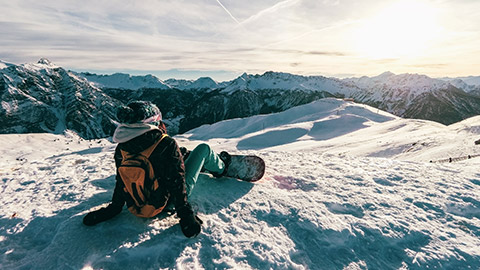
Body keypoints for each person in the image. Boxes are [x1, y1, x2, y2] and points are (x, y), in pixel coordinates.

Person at [82, 101, 231, 238]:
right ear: (152, 121)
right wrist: (186, 216)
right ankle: (222, 168)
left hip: (136, 204)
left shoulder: (122, 147)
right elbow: (176, 180)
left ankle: (188, 158)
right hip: (168, 202)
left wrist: (113, 209)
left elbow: (122, 180)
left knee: (177, 158)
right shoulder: (165, 143)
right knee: (203, 149)